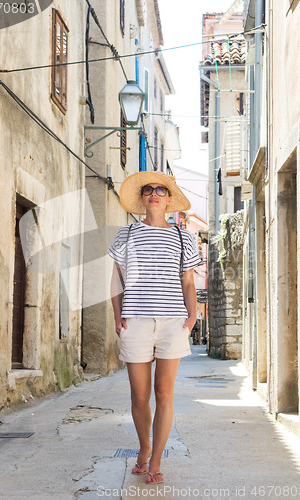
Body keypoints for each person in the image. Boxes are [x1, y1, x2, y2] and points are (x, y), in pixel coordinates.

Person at [108, 171, 202, 484]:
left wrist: (191, 318)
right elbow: (116, 279)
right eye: (149, 189)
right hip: (135, 321)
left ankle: (157, 461)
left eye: (161, 190)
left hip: (172, 323)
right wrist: (117, 314)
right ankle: (144, 447)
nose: (155, 194)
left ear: (169, 199)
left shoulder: (183, 237)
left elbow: (188, 282)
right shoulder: (127, 234)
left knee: (164, 393)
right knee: (139, 396)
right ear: (143, 199)